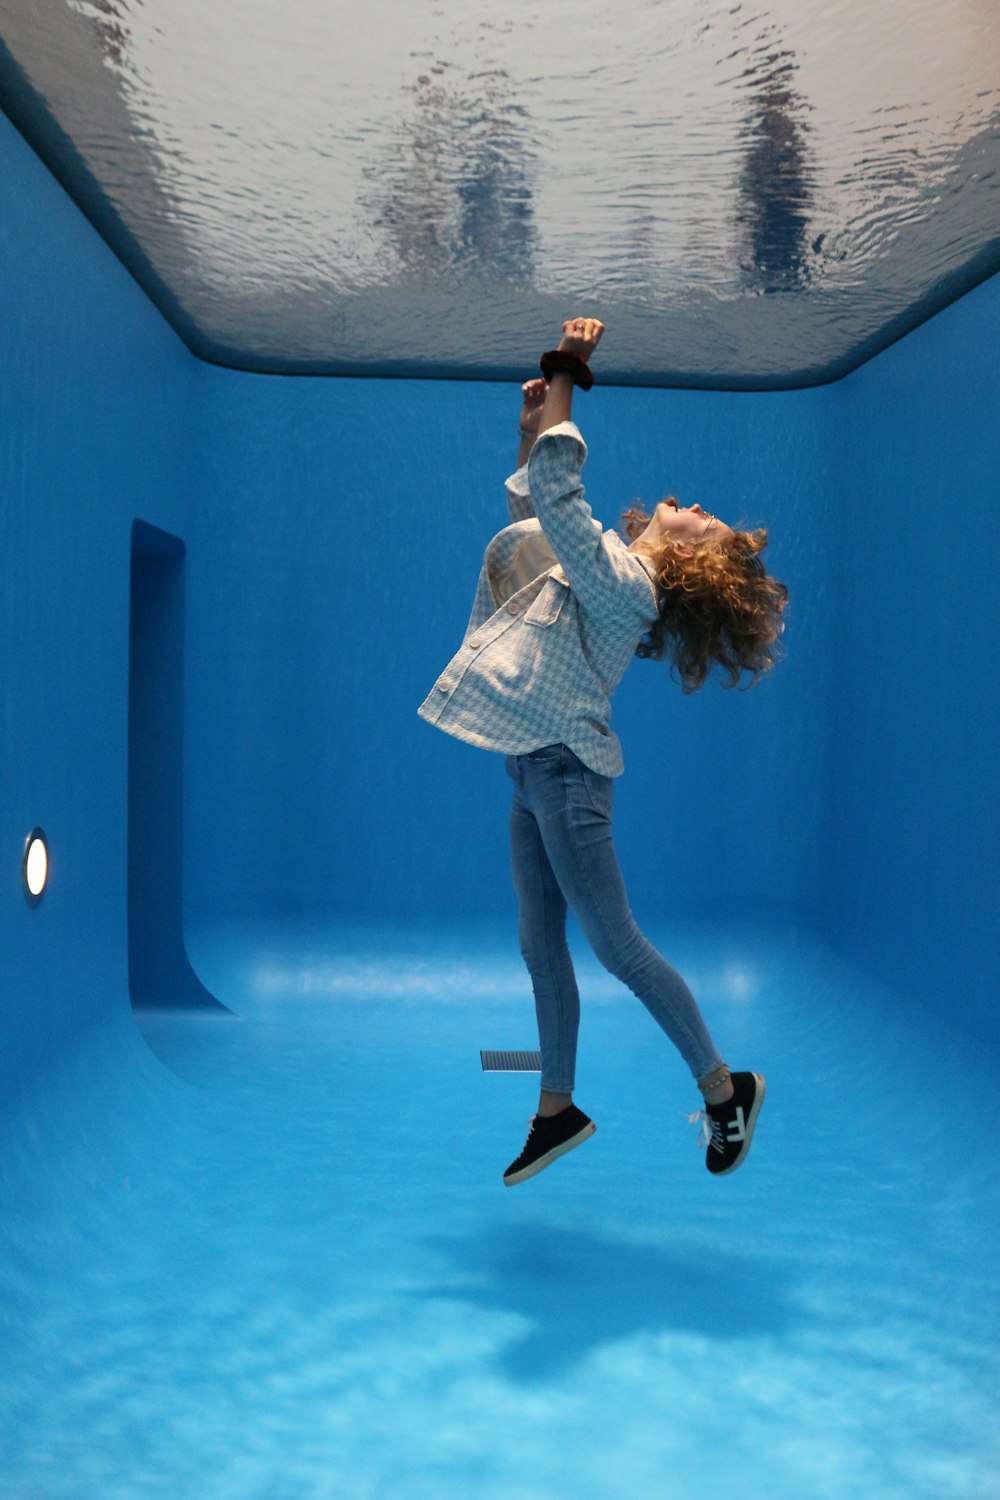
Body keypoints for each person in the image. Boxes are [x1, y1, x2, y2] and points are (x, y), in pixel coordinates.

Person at [418, 317, 788, 1187]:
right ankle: (556, 1109)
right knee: (539, 946)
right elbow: (532, 533)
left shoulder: (632, 587)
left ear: (696, 562)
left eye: (706, 519)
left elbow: (558, 495)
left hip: (567, 778)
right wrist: (532, 424)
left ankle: (723, 1088)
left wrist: (568, 376)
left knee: (617, 944)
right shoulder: (608, 567)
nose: (693, 505)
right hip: (528, 767)